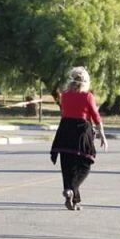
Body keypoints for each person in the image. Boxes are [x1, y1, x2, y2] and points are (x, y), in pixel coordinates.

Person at [50, 66, 108, 211]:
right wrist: (102, 135)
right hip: (81, 131)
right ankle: (71, 189)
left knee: (67, 166)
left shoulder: (64, 95)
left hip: (64, 130)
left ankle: (74, 200)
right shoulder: (88, 96)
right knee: (85, 164)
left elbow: (65, 111)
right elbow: (96, 117)